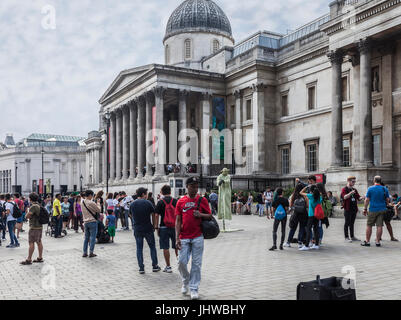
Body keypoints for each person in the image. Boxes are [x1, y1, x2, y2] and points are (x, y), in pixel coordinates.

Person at [175, 177, 212, 300]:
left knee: (196, 264)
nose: (195, 188)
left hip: (197, 236)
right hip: (184, 236)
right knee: (181, 262)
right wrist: (176, 238)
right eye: (193, 186)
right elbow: (178, 220)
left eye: (196, 186)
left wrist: (200, 214)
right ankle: (186, 280)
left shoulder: (202, 200)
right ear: (187, 187)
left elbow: (209, 215)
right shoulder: (180, 201)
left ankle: (194, 288)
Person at [130, 187, 161, 274]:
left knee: (139, 248)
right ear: (143, 194)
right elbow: (153, 214)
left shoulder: (132, 204)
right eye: (146, 194)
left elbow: (130, 214)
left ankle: (141, 268)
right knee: (152, 247)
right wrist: (154, 225)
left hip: (137, 228)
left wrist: (135, 223)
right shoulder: (148, 203)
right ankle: (155, 265)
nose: (147, 196)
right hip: (148, 228)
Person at [154, 185, 178, 273]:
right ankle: (180, 264)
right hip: (175, 227)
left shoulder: (160, 202)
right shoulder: (175, 201)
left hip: (164, 227)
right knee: (177, 246)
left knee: (165, 247)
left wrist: (156, 227)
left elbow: (156, 215)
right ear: (170, 192)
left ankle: (168, 266)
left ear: (162, 192)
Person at [361, 176, 389, 247]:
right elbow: (387, 200)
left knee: (369, 225)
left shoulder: (370, 188)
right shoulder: (384, 188)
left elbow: (367, 200)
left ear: (374, 180)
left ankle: (367, 241)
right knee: (380, 226)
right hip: (382, 209)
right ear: (380, 180)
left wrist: (365, 208)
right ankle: (377, 242)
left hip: (373, 209)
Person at [20, 193, 44, 265]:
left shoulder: (33, 206)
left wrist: (26, 215)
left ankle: (29, 259)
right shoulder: (39, 205)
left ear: (30, 199)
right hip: (40, 226)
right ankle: (40, 257)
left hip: (34, 227)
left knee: (31, 242)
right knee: (39, 242)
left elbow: (28, 216)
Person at [284, 183, 308, 248]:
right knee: (302, 228)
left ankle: (288, 242)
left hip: (296, 214)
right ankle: (300, 243)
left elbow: (290, 205)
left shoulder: (293, 195)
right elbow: (307, 205)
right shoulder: (304, 196)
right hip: (303, 214)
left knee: (293, 228)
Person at [341, 176, 363, 243]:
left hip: (354, 209)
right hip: (347, 208)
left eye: (354, 181)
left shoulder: (354, 190)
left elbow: (358, 198)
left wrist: (364, 196)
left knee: (352, 223)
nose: (354, 183)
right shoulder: (344, 189)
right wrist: (350, 193)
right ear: (348, 181)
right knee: (347, 223)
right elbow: (344, 197)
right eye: (353, 181)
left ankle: (352, 236)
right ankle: (346, 237)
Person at [299, 185, 322, 251]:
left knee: (308, 229)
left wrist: (306, 187)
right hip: (317, 215)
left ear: (311, 191)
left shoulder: (310, 196)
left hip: (311, 215)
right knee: (316, 229)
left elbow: (301, 192)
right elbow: (319, 195)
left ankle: (306, 245)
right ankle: (316, 245)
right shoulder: (320, 197)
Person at [81, 190, 101, 257]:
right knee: (92, 237)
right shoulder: (91, 202)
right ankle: (91, 252)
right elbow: (99, 210)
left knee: (86, 238)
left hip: (85, 222)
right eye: (92, 195)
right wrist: (98, 203)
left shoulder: (82, 202)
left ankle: (84, 252)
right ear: (89, 195)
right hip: (92, 221)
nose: (92, 197)